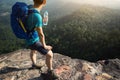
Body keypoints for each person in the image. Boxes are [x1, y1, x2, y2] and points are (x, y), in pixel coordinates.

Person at [26, 0, 58, 79]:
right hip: (33, 39)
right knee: (50, 54)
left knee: (33, 50)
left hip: (28, 37)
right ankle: (50, 73)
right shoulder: (37, 16)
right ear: (44, 2)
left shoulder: (29, 8)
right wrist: (45, 45)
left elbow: (32, 24)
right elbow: (41, 34)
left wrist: (40, 22)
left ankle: (34, 64)